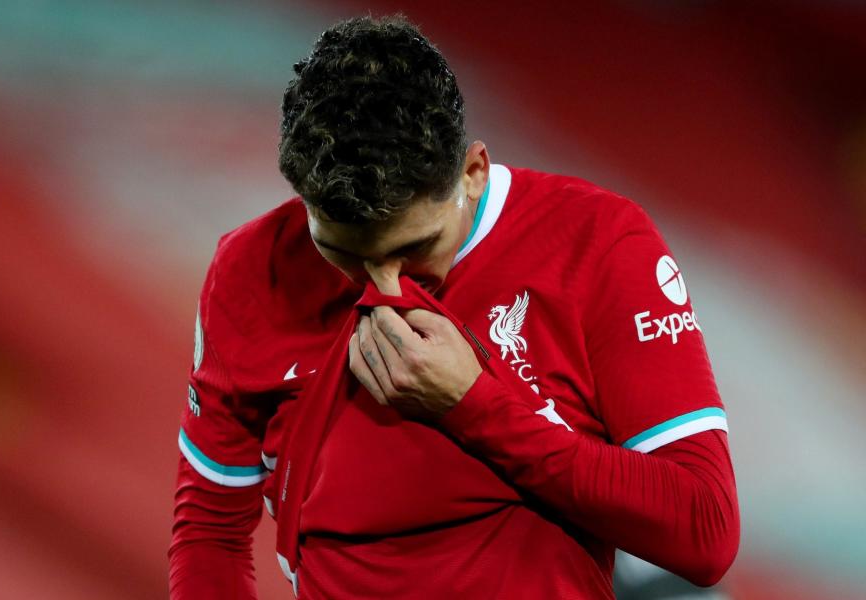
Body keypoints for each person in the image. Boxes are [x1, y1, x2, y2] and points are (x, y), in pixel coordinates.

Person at [168, 15, 739, 600]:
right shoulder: (251, 270)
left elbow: (704, 531)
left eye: (414, 248)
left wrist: (474, 407)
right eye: (340, 253)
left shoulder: (595, 243)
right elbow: (210, 530)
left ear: (472, 171)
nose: (384, 291)